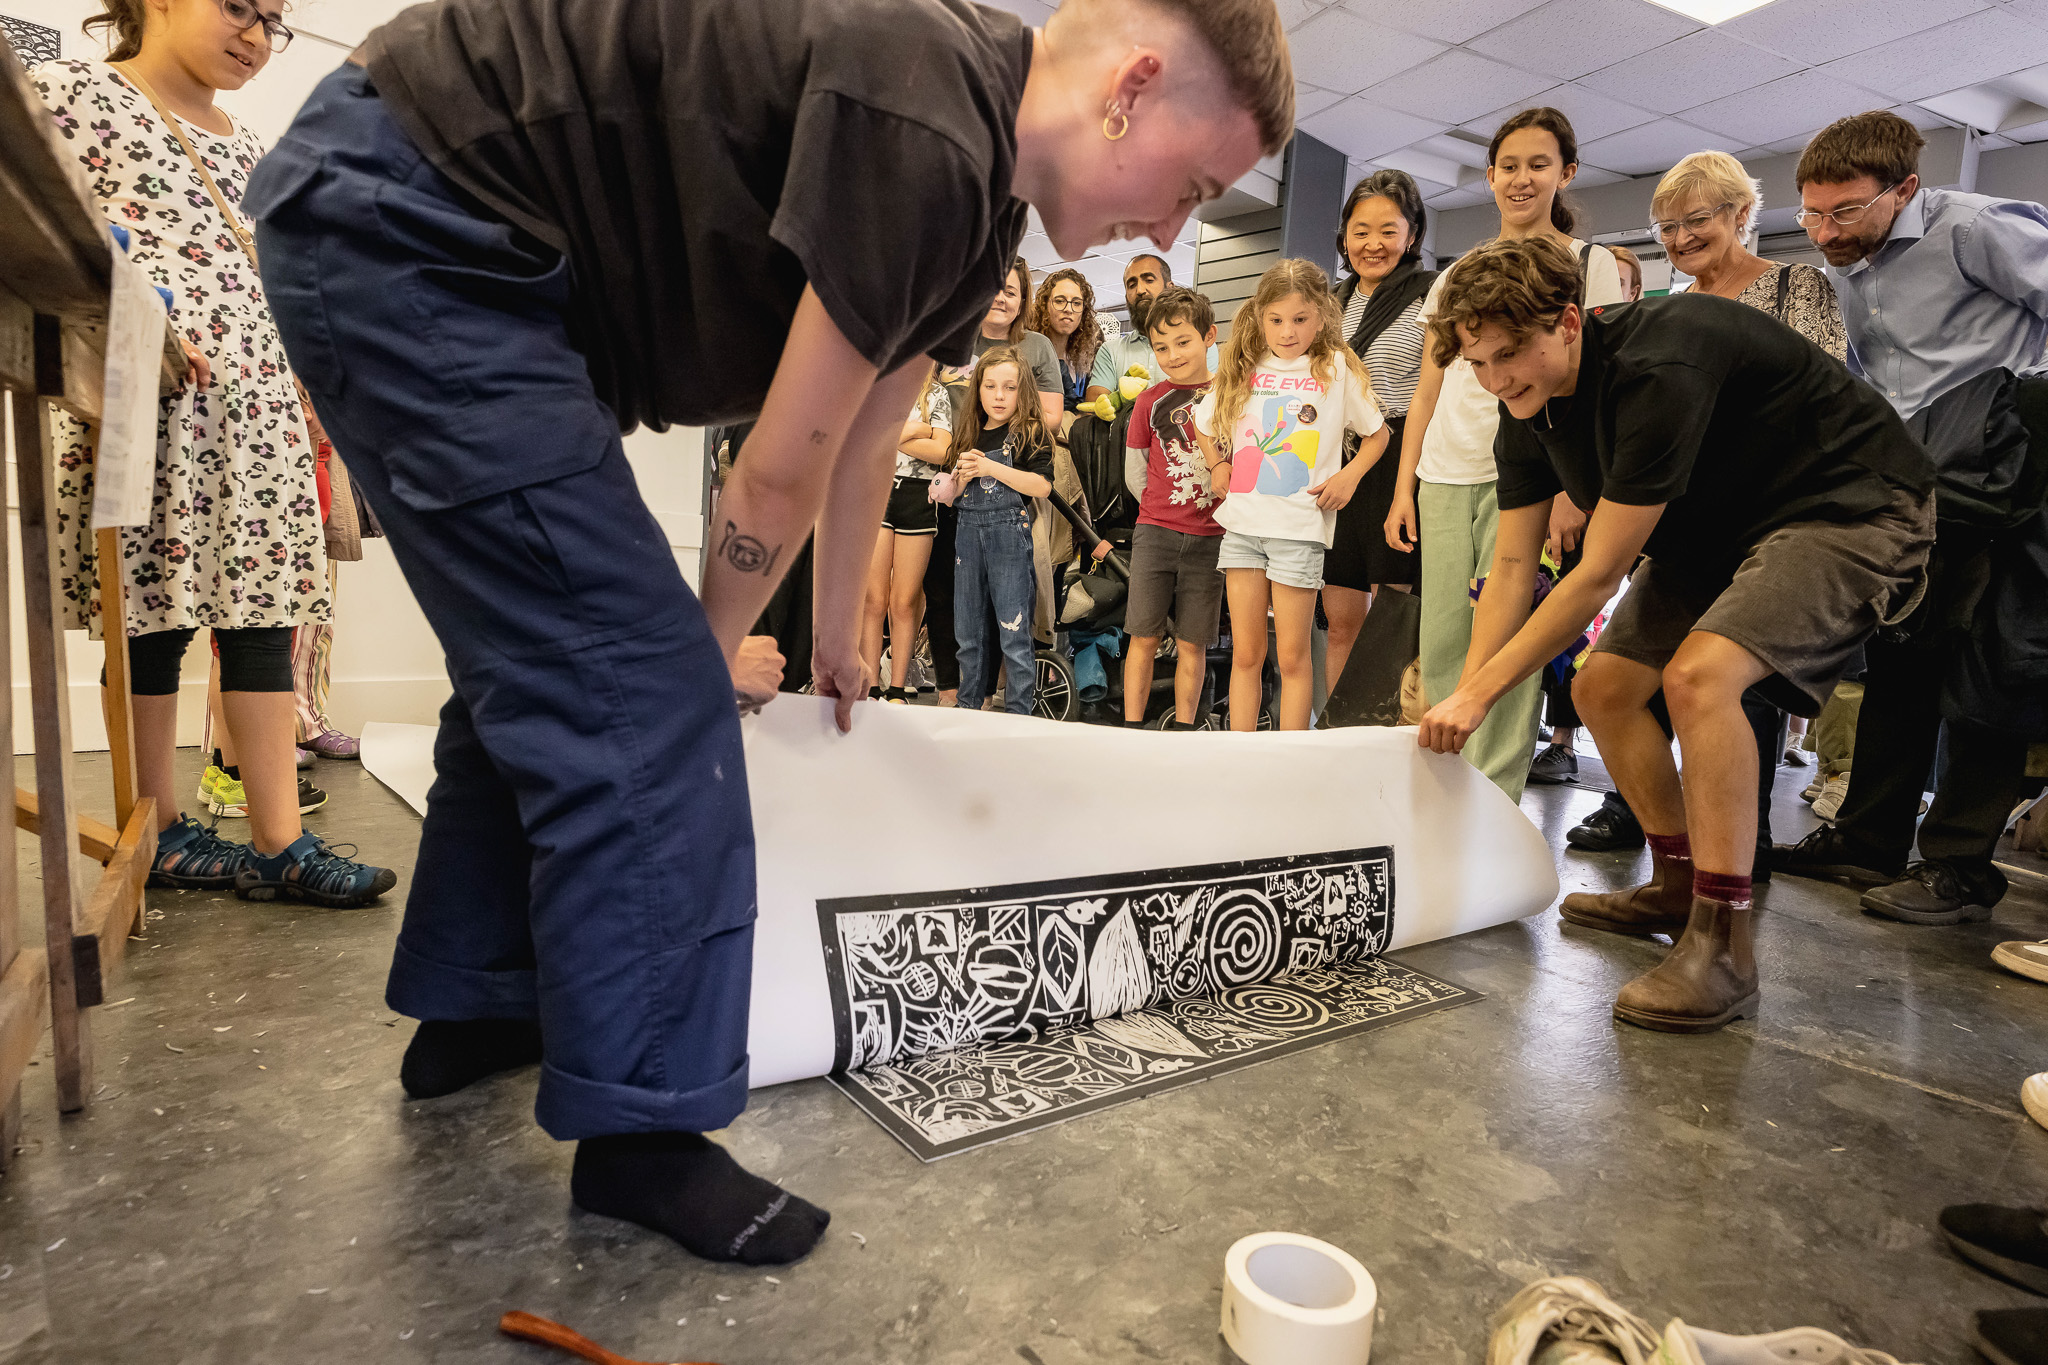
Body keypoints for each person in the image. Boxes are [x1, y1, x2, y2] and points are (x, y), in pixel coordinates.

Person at [248, 0, 1290, 1265]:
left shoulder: (975, 213)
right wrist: (690, 669)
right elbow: (773, 473)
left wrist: (844, 632)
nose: (1174, 232)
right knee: (635, 688)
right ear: (1129, 87)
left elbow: (867, 436)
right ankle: (640, 1135)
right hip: (411, 220)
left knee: (562, 655)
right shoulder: (928, 123)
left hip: (447, 234)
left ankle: (479, 1003)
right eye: (1193, 186)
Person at [1416, 235, 1933, 1033]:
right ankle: (1676, 882)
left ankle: (1724, 944)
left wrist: (1481, 694)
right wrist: (1464, 693)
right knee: (1602, 687)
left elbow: (1595, 575)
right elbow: (1513, 568)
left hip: (1850, 503)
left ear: (1568, 322)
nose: (1495, 379)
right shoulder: (1522, 409)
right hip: (1718, 525)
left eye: (1509, 354)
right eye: (1477, 363)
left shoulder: (1659, 365)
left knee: (1700, 679)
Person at [35, 2, 393, 909]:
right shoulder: (78, 94)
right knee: (147, 615)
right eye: (238, 6)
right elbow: (50, 246)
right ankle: (152, 825)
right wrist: (137, 319)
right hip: (148, 403)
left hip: (258, 415)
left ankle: (280, 840)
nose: (258, 36)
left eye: (273, 20)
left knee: (264, 617)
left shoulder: (247, 143)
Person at [1773, 110, 2048, 930]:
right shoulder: (1850, 264)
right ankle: (1869, 838)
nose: (1826, 232)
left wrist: (2025, 413)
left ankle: (1959, 868)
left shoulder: (1973, 228)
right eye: (1812, 214)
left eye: (1846, 211)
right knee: (1900, 656)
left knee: (1988, 671)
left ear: (1905, 190)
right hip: (1921, 480)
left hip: (2010, 469)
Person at [1387, 107, 1628, 801]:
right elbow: (1429, 389)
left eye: (1538, 165)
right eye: (1509, 166)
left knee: (1508, 643)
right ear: (1490, 176)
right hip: (1444, 473)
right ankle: (1442, 788)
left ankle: (1493, 797)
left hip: (1528, 476)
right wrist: (1405, 487)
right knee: (1442, 640)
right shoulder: (1455, 274)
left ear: (1566, 173)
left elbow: (1597, 379)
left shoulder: (1590, 264)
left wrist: (1573, 491)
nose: (1522, 179)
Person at [1195, 259, 1387, 731]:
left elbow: (1378, 434)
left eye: (1300, 319)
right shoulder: (1243, 365)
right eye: (1276, 319)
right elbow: (1203, 424)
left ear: (1321, 316)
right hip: (1242, 528)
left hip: (1299, 530)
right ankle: (1242, 754)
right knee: (1246, 654)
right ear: (1260, 317)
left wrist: (1349, 477)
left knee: (1293, 657)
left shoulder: (1337, 367)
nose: (1287, 332)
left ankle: (1291, 758)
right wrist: (1218, 464)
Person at [1324, 169, 1434, 691]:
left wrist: (1405, 489)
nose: (1373, 244)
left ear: (1412, 234)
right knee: (1341, 621)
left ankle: (1385, 730)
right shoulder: (1327, 304)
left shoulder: (1430, 296)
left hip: (1398, 462)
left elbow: (1430, 395)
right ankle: (1337, 732)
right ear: (1344, 236)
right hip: (1335, 462)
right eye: (1361, 231)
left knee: (1391, 622)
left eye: (1389, 231)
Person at [1121, 286, 1222, 727]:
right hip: (1155, 533)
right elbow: (1136, 472)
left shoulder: (1230, 395)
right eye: (1161, 347)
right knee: (1142, 637)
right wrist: (1160, 508)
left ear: (1209, 336)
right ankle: (1130, 728)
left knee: (1192, 643)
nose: (1173, 355)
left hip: (1212, 537)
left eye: (1183, 342)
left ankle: (1184, 729)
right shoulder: (1149, 401)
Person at [946, 347, 1056, 714]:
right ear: (977, 389)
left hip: (1008, 537)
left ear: (1022, 391)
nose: (999, 396)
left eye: (1009, 387)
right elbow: (951, 496)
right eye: (990, 386)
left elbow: (1042, 486)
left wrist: (990, 468)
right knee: (968, 632)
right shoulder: (969, 432)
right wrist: (957, 480)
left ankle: (1019, 714)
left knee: (1013, 629)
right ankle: (968, 706)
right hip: (967, 537)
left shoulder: (1030, 431)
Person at [860, 370, 952, 702]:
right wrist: (918, 430)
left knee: (904, 601)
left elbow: (941, 452)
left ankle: (897, 688)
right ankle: (870, 685)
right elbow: (865, 440)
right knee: (874, 599)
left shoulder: (937, 394)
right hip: (877, 491)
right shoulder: (876, 387)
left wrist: (892, 434)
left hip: (918, 497)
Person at [1087, 252, 1219, 397]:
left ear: (1170, 287)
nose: (1140, 290)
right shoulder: (1110, 351)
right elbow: (1096, 403)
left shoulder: (1200, 343)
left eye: (1149, 280)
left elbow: (1201, 395)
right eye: (1132, 285)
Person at [976, 258, 1066, 427]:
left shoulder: (1038, 346)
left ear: (1021, 304)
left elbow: (1053, 420)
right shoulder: (948, 342)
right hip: (950, 444)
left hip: (1014, 443)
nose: (1000, 298)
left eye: (1010, 293)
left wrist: (998, 427)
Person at [1030, 267, 1102, 411]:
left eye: (1076, 303)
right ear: (1044, 305)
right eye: (1059, 301)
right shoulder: (1030, 352)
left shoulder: (1086, 360)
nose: (1068, 309)